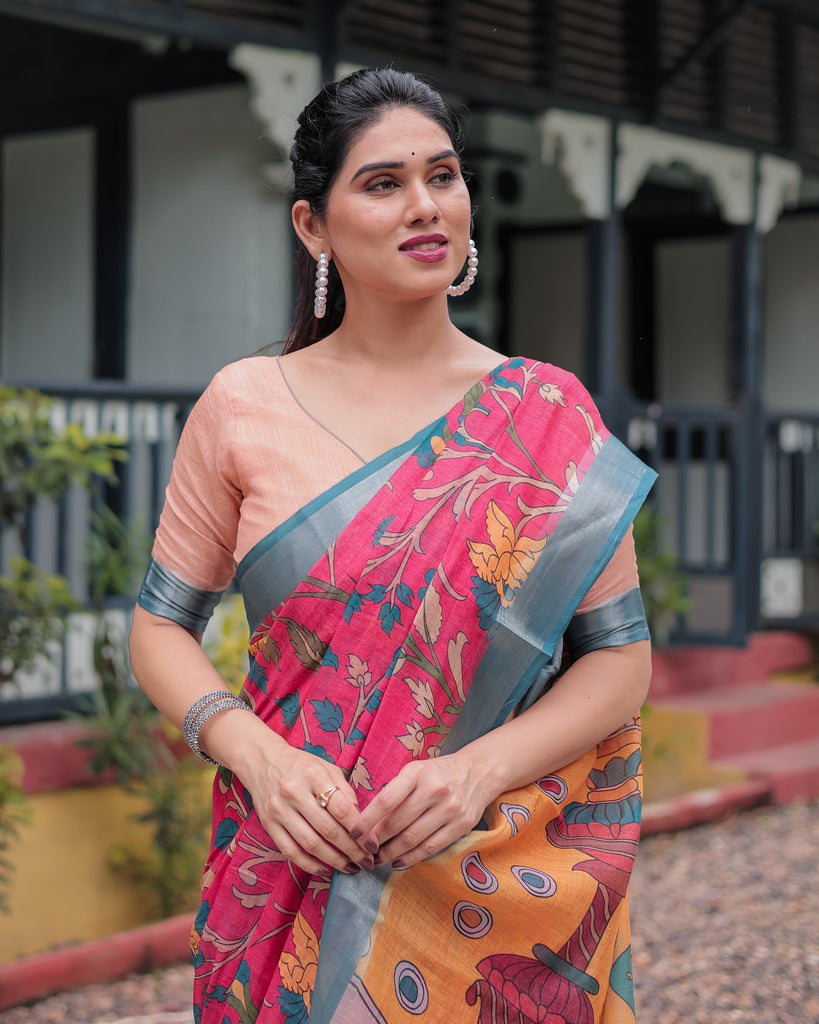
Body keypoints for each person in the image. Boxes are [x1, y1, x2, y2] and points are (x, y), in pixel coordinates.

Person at [129, 66, 656, 1024]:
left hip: (491, 880)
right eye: (382, 183)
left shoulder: (546, 413)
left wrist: (474, 772)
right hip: (289, 860)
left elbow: (617, 657)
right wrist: (257, 755)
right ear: (312, 227)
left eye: (443, 175)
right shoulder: (244, 405)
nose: (425, 206)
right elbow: (160, 629)